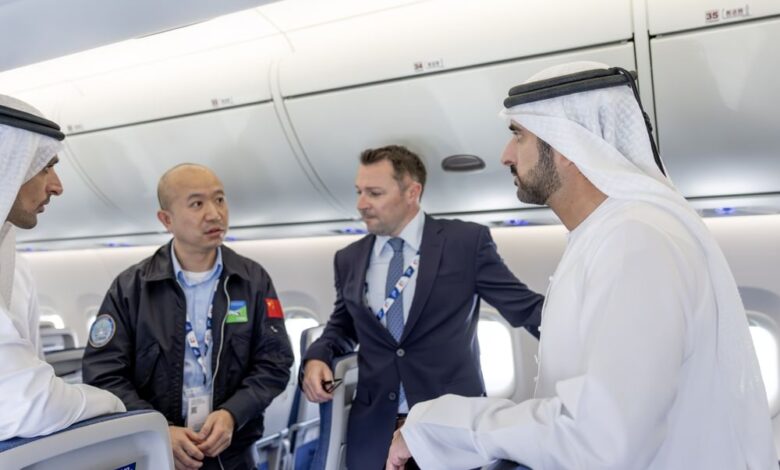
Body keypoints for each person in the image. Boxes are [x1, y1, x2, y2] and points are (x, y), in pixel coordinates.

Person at [386, 62, 776, 469]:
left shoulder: (636, 241)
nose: (505, 155)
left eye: (518, 136)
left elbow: (602, 437)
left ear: (567, 144)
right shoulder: (603, 236)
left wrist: (436, 426)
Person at [301, 145, 545, 469]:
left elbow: (525, 308)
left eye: (374, 193)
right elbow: (343, 326)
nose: (361, 204)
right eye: (359, 192)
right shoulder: (349, 258)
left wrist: (588, 342)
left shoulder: (464, 243)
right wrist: (318, 356)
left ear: (412, 192)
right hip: (374, 433)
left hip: (447, 428)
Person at [82, 163, 294, 470]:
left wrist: (233, 413)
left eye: (219, 199)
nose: (214, 214)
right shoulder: (131, 288)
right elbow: (103, 374)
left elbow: (275, 363)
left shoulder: (252, 280)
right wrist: (156, 428)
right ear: (166, 220)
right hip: (158, 453)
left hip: (232, 454)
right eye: (197, 204)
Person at [0, 94, 126, 440]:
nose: (57, 186)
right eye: (45, 167)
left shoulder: (15, 267)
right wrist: (116, 406)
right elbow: (33, 403)